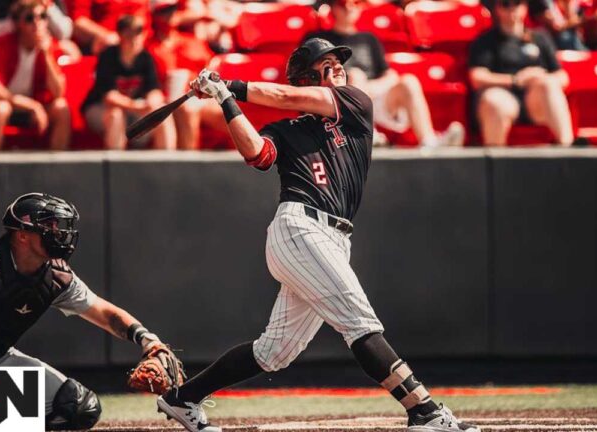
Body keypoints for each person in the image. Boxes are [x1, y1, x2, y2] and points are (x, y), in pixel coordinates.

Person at [155, 38, 480, 432]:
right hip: (299, 228)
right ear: (308, 74)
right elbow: (256, 153)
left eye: (337, 62)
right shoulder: (287, 129)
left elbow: (285, 95)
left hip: (334, 238)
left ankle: (182, 398)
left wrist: (230, 84)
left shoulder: (354, 104)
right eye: (327, 64)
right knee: (360, 323)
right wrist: (226, 100)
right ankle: (424, 411)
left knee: (274, 352)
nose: (339, 67)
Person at [0, 192, 185, 430]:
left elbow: (104, 312)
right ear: (22, 235)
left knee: (81, 408)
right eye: (49, 225)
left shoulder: (58, 277)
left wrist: (149, 341)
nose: (58, 232)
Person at [305, 0, 464, 148]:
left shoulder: (369, 39)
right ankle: (367, 134)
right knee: (356, 75)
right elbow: (309, 76)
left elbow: (389, 74)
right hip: (338, 102)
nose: (350, 8)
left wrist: (369, 89)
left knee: (409, 81)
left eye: (356, 2)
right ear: (332, 7)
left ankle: (429, 141)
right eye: (343, 4)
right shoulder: (319, 40)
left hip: (372, 96)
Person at [468, 0, 575, 146]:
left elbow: (562, 77)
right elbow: (477, 77)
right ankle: (495, 164)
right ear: (497, 9)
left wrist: (538, 78)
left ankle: (568, 150)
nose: (512, 8)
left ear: (524, 7)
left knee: (549, 84)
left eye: (517, 3)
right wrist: (515, 80)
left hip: (536, 99)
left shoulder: (541, 38)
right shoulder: (486, 41)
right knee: (494, 100)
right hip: (505, 96)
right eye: (505, 4)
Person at [0, 0, 71, 151]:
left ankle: (57, 170)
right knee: (1, 108)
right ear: (17, 23)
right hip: (5, 106)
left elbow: (58, 92)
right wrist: (31, 106)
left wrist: (47, 55)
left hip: (34, 108)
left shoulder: (50, 47)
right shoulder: (2, 44)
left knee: (61, 108)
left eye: (42, 17)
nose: (37, 23)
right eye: (29, 18)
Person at [82, 14, 175, 150]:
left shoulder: (146, 57)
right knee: (116, 115)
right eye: (129, 33)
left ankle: (169, 167)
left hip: (134, 111)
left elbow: (154, 90)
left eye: (138, 32)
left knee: (163, 114)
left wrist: (151, 103)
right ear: (120, 35)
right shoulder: (108, 56)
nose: (134, 38)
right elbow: (109, 97)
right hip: (101, 108)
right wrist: (135, 106)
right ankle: (115, 168)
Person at [147, 0, 216, 150]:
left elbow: (211, 69)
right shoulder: (148, 46)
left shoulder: (192, 41)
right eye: (163, 11)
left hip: (198, 94)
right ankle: (186, 166)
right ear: (154, 15)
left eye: (172, 8)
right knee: (185, 108)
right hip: (165, 98)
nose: (169, 14)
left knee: (225, 110)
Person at [64, 0, 147, 54]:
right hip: (99, 47)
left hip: (136, 45)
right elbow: (78, 22)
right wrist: (108, 37)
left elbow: (141, 17)